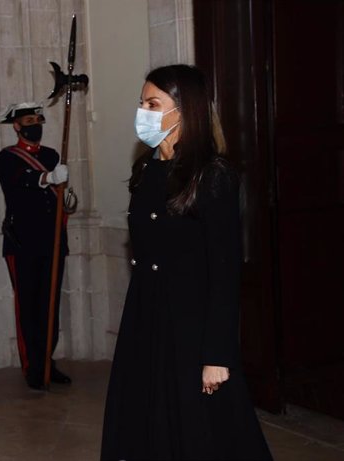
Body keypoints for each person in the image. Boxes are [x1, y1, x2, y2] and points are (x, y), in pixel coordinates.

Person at [100, 65, 272, 460]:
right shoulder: (144, 169)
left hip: (192, 326)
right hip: (146, 316)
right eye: (141, 102)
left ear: (184, 110)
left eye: (153, 103)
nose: (143, 111)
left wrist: (217, 355)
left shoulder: (212, 175)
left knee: (204, 433)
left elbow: (225, 271)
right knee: (144, 424)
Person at [0, 102, 72, 391]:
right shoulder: (7, 158)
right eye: (29, 120)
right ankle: (33, 367)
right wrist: (46, 178)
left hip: (52, 242)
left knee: (50, 304)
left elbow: (59, 197)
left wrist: (63, 189)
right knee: (28, 306)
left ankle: (48, 362)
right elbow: (19, 181)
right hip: (23, 243)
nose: (34, 124)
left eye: (38, 119)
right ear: (17, 126)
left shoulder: (52, 155)